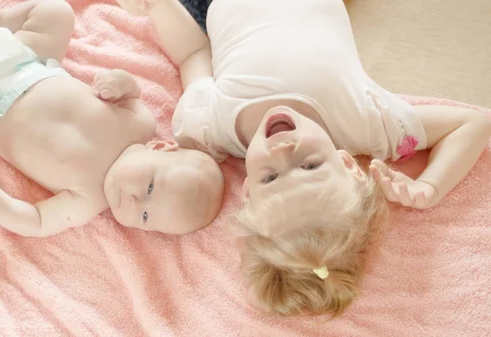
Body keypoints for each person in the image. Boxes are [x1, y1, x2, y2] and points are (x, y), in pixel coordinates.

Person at [116, 0, 491, 316]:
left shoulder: (208, 126)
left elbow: (194, 53)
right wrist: (429, 186)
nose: (283, 152)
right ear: (348, 165)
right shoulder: (366, 124)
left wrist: (158, 5)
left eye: (270, 178)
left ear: (246, 192)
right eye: (311, 166)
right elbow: (473, 123)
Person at [0, 0, 225, 237]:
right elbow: (130, 92)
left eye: (146, 216)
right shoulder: (140, 123)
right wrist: (119, 83)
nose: (135, 201)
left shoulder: (86, 202)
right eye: (150, 187)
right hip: (29, 62)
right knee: (56, 12)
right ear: (162, 147)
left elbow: (35, 221)